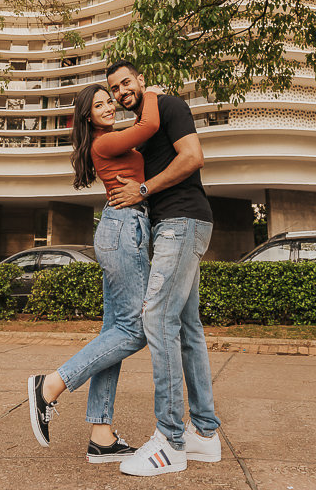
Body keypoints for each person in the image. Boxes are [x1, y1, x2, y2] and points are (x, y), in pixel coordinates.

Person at [27, 81, 161, 464]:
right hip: (123, 229)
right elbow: (149, 126)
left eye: (109, 102)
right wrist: (149, 91)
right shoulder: (104, 142)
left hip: (121, 228)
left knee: (113, 332)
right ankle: (51, 384)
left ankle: (101, 437)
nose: (109, 107)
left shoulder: (112, 139)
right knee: (135, 330)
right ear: (87, 115)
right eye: (100, 104)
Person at [105, 59, 221, 477]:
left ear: (140, 80)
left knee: (156, 316)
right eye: (115, 89)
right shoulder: (144, 127)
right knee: (188, 329)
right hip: (174, 226)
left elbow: (193, 157)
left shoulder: (169, 105)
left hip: (182, 220)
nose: (121, 92)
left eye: (125, 83)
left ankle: (170, 441)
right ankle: (204, 435)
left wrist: (143, 190)